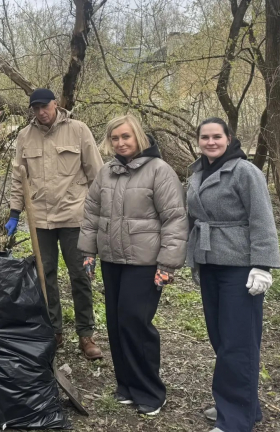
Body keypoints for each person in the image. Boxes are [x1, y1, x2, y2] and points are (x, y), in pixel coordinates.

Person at [77, 114, 187, 416]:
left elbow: (175, 219)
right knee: (115, 323)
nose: (120, 143)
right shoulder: (107, 173)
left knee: (135, 324)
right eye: (115, 138)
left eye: (125, 136)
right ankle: (126, 385)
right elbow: (92, 215)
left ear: (138, 137)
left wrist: (168, 263)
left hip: (144, 262)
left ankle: (150, 390)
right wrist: (88, 251)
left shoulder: (159, 171)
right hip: (113, 260)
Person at [187, 118, 280, 432]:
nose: (210, 142)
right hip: (210, 263)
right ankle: (244, 406)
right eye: (205, 137)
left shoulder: (245, 171)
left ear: (229, 138)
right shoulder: (197, 172)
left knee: (238, 343)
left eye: (217, 136)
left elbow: (262, 219)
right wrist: (193, 260)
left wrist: (263, 265)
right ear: (199, 140)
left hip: (240, 267)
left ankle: (234, 422)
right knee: (221, 339)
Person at [6, 88, 104, 359]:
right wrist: (15, 213)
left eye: (45, 107)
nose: (41, 113)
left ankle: (86, 335)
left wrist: (98, 216)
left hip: (74, 216)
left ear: (56, 105)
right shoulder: (25, 136)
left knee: (80, 275)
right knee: (44, 275)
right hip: (40, 219)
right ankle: (54, 331)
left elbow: (97, 175)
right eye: (35, 108)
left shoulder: (78, 130)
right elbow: (18, 178)